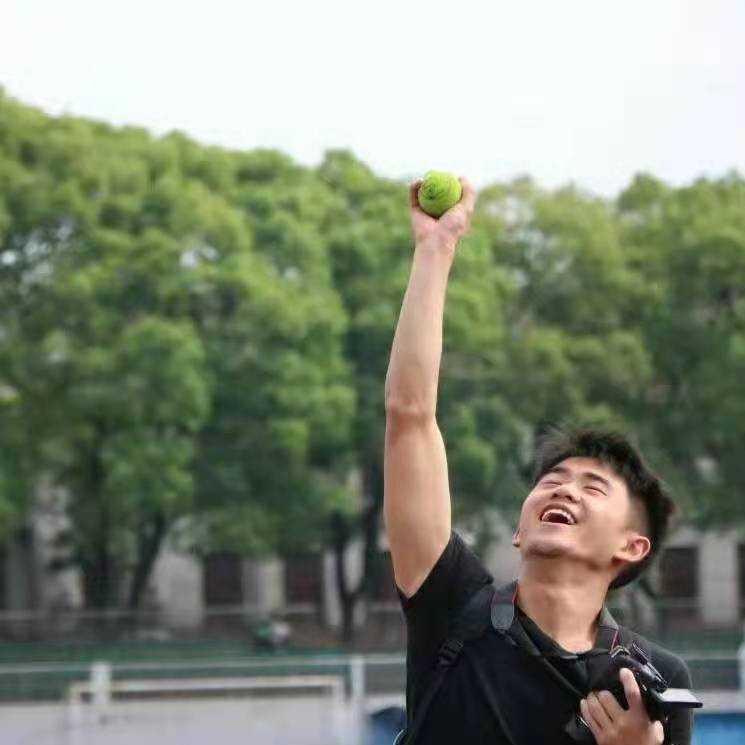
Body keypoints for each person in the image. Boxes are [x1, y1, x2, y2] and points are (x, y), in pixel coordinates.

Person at [383, 177, 694, 744]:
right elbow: (410, 416)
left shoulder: (652, 684)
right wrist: (436, 248)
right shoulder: (451, 605)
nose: (563, 489)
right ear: (519, 531)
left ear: (632, 546)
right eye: (552, 479)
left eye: (593, 487)